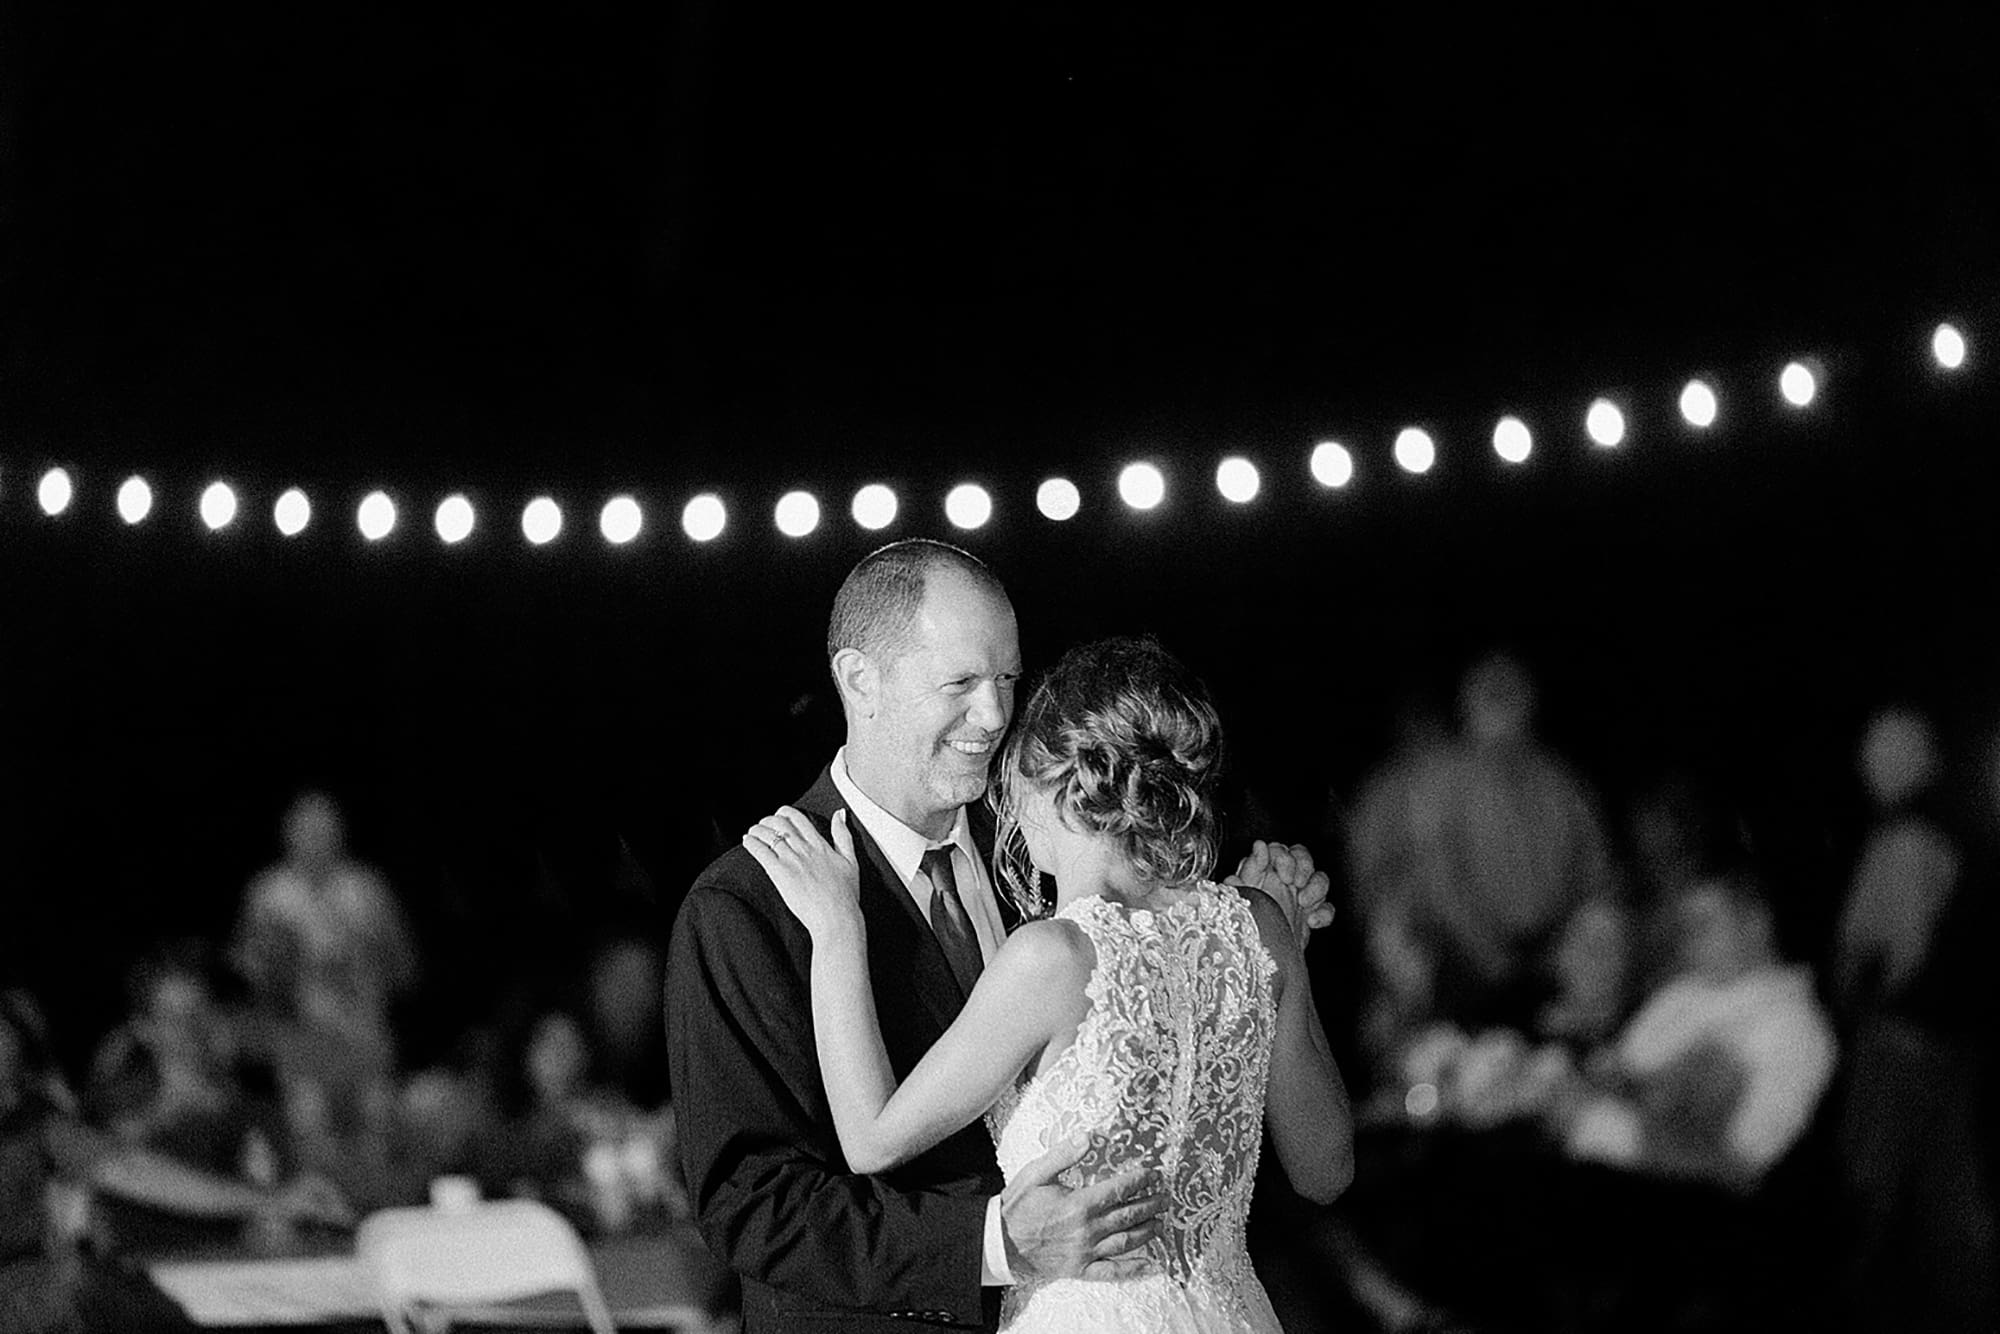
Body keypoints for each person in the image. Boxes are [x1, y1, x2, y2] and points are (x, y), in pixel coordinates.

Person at [665, 539, 1332, 1333]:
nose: (994, 717)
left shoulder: (1056, 837)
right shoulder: (749, 904)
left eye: (1008, 680)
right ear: (858, 681)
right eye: (961, 683)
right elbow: (755, 1208)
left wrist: (1260, 947)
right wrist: (995, 1243)